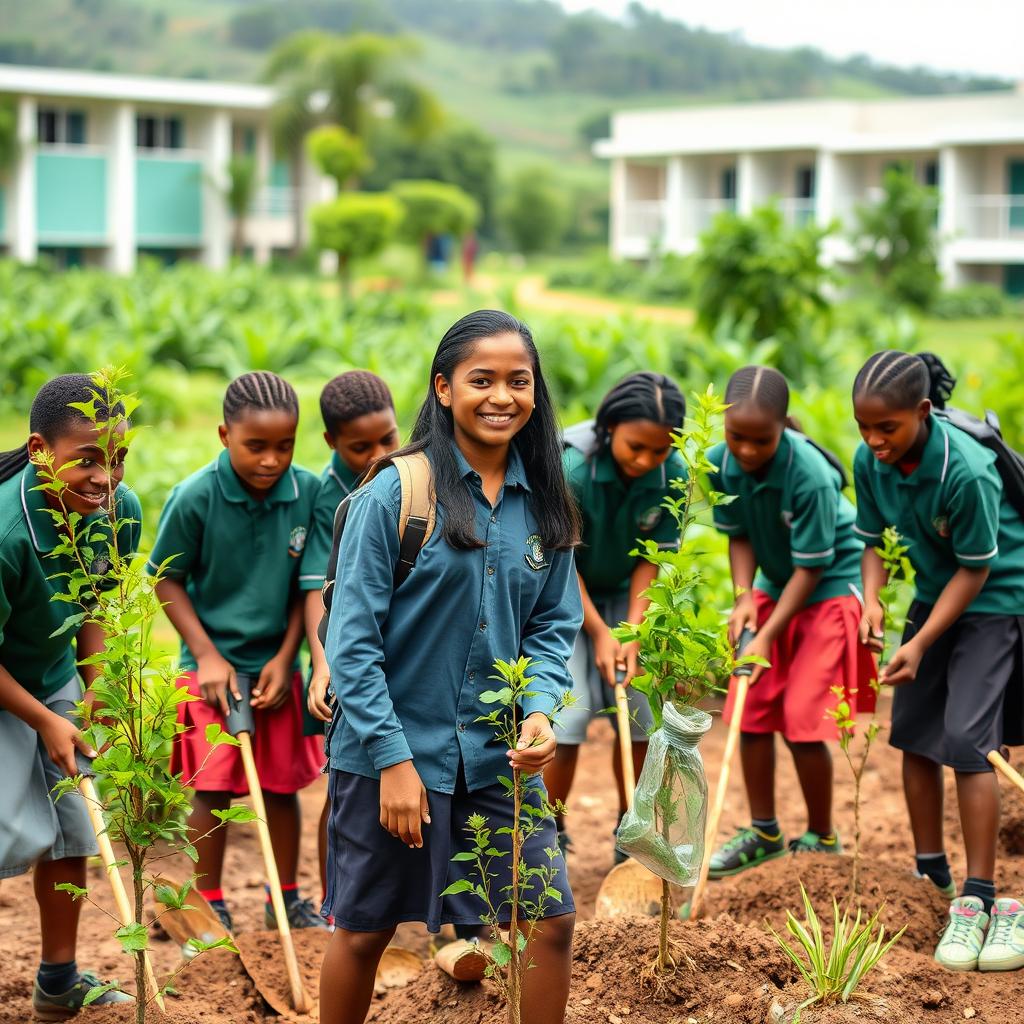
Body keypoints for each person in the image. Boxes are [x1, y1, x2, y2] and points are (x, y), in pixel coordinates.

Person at [318, 310, 582, 1024]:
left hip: (498, 759)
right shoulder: (394, 496)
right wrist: (394, 762)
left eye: (518, 381)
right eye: (481, 380)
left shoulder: (545, 499)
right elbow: (353, 646)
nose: (502, 396)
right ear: (443, 388)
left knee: (546, 919)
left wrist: (539, 710)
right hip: (392, 757)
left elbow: (555, 624)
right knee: (366, 927)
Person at [852, 350, 1024, 973]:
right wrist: (873, 602)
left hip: (998, 597)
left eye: (887, 429)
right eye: (863, 428)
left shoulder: (967, 471)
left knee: (967, 740)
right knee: (916, 733)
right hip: (934, 594)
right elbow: (870, 542)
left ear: (922, 413)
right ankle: (933, 875)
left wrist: (919, 642)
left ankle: (979, 898)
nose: (873, 442)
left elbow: (977, 570)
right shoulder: (871, 459)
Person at [148, 371, 325, 934]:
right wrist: (207, 655)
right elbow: (166, 582)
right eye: (256, 446)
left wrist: (285, 656)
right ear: (225, 435)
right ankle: (210, 900)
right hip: (211, 669)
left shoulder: (310, 492)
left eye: (285, 445)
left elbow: (310, 584)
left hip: (277, 667)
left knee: (279, 786)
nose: (271, 460)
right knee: (214, 784)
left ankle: (285, 898)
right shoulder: (195, 497)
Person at [0, 375, 137, 1018]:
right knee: (6, 828)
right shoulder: (6, 532)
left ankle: (58, 981)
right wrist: (41, 722)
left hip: (48, 670)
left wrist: (95, 689)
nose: (104, 476)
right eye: (86, 457)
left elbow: (92, 604)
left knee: (71, 826)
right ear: (38, 450)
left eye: (118, 458)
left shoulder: (117, 511)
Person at [706, 365, 875, 877]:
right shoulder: (720, 463)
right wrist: (742, 599)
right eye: (737, 437)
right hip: (775, 585)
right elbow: (738, 535)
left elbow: (812, 567)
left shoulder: (811, 475)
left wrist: (767, 635)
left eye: (762, 440)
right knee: (749, 705)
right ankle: (764, 832)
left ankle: (823, 835)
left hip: (826, 586)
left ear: (782, 428)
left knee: (803, 718)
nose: (748, 451)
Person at [546, 371, 686, 861]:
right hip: (562, 594)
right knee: (567, 715)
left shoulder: (674, 476)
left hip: (628, 598)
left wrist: (630, 632)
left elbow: (651, 559)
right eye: (635, 448)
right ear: (609, 430)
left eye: (659, 451)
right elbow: (560, 560)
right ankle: (549, 830)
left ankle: (634, 832)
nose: (646, 460)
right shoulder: (573, 470)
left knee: (642, 713)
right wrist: (600, 633)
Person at [301, 370, 400, 905]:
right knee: (345, 787)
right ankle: (333, 902)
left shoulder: (412, 474)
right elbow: (323, 591)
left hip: (400, 658)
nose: (378, 454)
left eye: (388, 438)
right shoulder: (329, 496)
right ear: (331, 443)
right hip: (346, 658)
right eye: (360, 447)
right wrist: (324, 667)